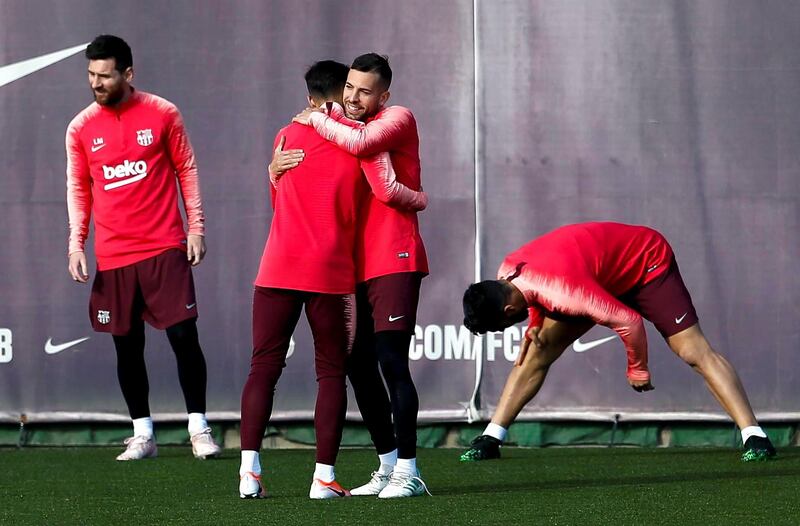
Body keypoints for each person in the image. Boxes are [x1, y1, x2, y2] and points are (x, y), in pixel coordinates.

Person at [238, 60, 427, 500]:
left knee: (382, 362)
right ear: (339, 91)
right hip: (341, 270)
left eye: (364, 91)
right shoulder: (337, 137)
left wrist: (419, 197)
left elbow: (368, 176)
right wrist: (276, 166)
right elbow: (368, 184)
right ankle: (344, 473)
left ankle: (408, 469)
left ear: (384, 96)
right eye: (349, 89)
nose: (354, 98)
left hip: (373, 260)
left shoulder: (384, 124)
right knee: (343, 370)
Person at [459, 222, 776, 463]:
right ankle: (491, 438)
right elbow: (535, 296)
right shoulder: (507, 271)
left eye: (499, 327)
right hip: (595, 279)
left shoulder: (564, 293)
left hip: (645, 263)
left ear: (508, 310)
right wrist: (535, 324)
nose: (504, 330)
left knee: (694, 352)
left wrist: (637, 367)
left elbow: (629, 321)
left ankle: (754, 436)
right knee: (537, 349)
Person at [65, 35, 221, 461]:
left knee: (183, 335)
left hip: (164, 245)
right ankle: (143, 434)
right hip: (114, 255)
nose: (96, 83)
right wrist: (76, 243)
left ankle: (199, 428)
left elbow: (186, 169)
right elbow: (79, 188)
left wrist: (196, 227)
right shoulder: (80, 127)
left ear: (127, 74)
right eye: (91, 75)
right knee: (125, 344)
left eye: (105, 75)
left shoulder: (163, 112)